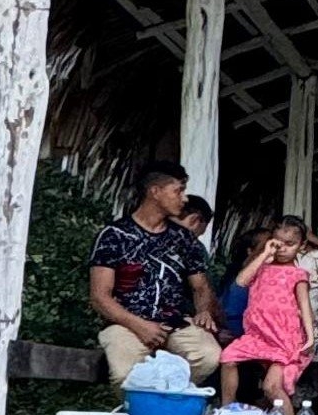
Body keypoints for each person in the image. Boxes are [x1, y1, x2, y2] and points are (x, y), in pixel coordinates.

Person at [89, 160, 222, 384]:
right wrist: (139, 325)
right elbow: (99, 296)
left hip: (176, 324)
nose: (185, 198)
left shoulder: (184, 238)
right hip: (125, 324)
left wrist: (204, 311)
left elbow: (200, 286)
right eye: (178, 191)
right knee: (125, 375)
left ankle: (171, 401)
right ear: (155, 192)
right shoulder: (114, 235)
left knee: (209, 356)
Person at [217, 216, 316, 414]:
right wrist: (264, 254)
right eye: (279, 243)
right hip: (257, 335)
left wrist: (310, 337)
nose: (283, 249)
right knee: (228, 358)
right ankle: (226, 410)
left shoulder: (298, 274)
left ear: (302, 246)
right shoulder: (261, 269)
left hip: (283, 338)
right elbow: (241, 281)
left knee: (272, 388)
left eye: (290, 244)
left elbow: (305, 306)